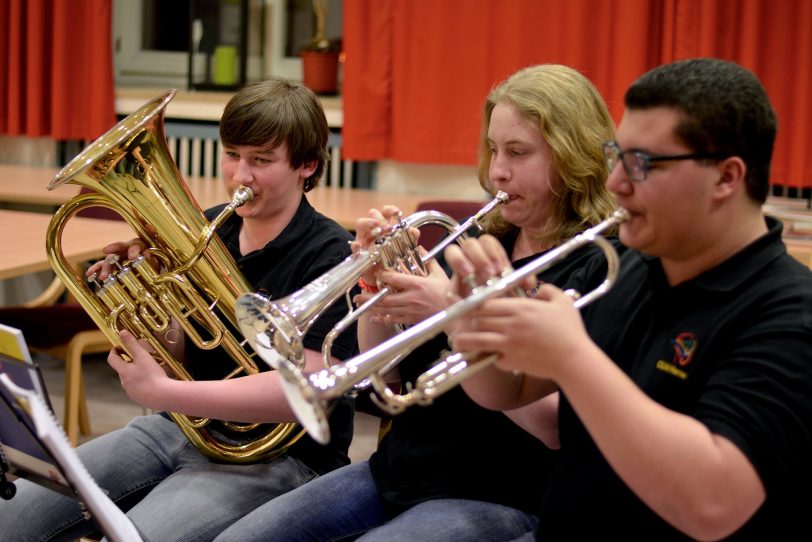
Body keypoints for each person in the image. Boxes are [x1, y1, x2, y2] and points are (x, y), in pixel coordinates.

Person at [214, 64, 618, 541]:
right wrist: (374, 285)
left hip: (502, 491)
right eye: (492, 149)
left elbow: (555, 427)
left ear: (573, 155)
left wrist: (453, 313)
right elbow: (387, 377)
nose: (498, 170)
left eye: (518, 152)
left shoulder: (598, 264)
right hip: (400, 469)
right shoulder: (476, 240)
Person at [447, 58, 812, 540]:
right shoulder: (626, 266)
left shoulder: (788, 315)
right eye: (617, 155)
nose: (616, 181)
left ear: (726, 178)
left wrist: (572, 357)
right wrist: (474, 331)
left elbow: (714, 502)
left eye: (641, 164)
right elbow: (507, 391)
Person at [0, 76, 358, 542]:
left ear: (307, 166)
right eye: (233, 155)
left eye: (262, 161)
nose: (241, 176)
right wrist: (143, 305)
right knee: (13, 516)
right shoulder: (205, 229)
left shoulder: (330, 254)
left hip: (279, 458)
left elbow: (308, 391)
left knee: (132, 539)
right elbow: (186, 353)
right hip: (183, 429)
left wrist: (166, 394)